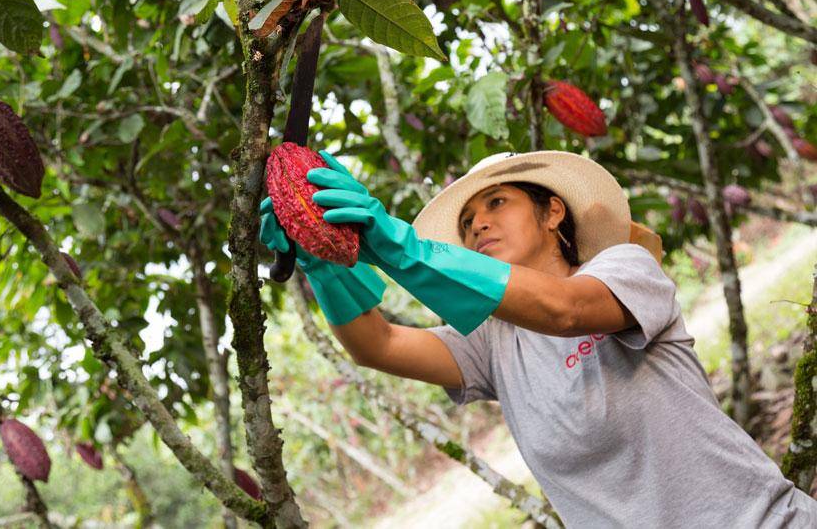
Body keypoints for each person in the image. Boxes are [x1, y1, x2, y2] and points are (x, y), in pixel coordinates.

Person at [259, 149, 817, 527]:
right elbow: (377, 345)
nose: (477, 223)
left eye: (496, 203)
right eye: (468, 220)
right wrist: (324, 264)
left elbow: (566, 311)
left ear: (553, 212)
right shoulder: (492, 342)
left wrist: (400, 246)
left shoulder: (624, 269)